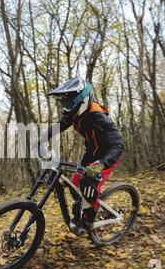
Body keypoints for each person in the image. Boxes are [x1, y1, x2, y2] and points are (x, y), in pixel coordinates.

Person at [39, 78, 124, 234]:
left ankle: (88, 221)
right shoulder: (75, 113)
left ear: (83, 100)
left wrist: (101, 165)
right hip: (91, 153)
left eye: (69, 103)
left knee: (88, 182)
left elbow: (118, 144)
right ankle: (84, 203)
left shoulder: (99, 117)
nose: (66, 107)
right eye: (64, 103)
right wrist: (42, 139)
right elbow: (61, 125)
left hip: (107, 156)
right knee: (76, 181)